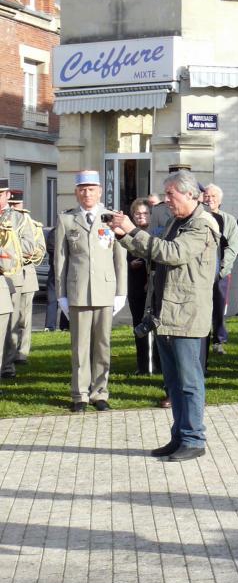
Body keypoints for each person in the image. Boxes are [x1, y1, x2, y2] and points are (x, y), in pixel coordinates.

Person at [109, 171, 220, 461]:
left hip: (187, 314)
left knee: (189, 382)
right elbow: (155, 251)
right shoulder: (177, 221)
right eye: (167, 193)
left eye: (171, 194)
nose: (166, 200)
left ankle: (194, 439)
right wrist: (125, 236)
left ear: (190, 195)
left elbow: (172, 253)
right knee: (172, 382)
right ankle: (179, 437)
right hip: (166, 313)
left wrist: (133, 230)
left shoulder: (202, 224)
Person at [55, 170, 128, 412]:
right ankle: (80, 395)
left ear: (99, 192)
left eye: (91, 189)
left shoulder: (111, 218)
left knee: (102, 344)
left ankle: (100, 392)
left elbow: (120, 257)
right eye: (82, 189)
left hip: (105, 290)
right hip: (77, 291)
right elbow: (61, 261)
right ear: (76, 192)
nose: (87, 193)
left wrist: (121, 292)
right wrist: (61, 295)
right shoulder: (66, 220)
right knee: (80, 346)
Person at [0, 181, 44, 378]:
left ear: (7, 195)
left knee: (11, 323)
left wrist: (7, 248)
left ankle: (7, 366)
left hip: (11, 276)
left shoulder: (19, 219)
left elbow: (29, 246)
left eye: (1, 194)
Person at [201, 184, 238, 355]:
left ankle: (218, 340)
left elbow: (233, 246)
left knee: (218, 306)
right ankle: (201, 338)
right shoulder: (198, 218)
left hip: (220, 273)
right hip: (200, 272)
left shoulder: (228, 220)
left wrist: (222, 269)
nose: (209, 199)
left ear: (220, 200)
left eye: (213, 196)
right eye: (207, 196)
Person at [124, 199, 160, 378]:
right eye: (137, 213)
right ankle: (143, 364)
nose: (141, 216)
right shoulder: (127, 233)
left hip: (153, 285)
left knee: (157, 325)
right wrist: (130, 265)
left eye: (145, 213)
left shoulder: (155, 234)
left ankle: (158, 363)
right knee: (138, 324)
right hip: (136, 286)